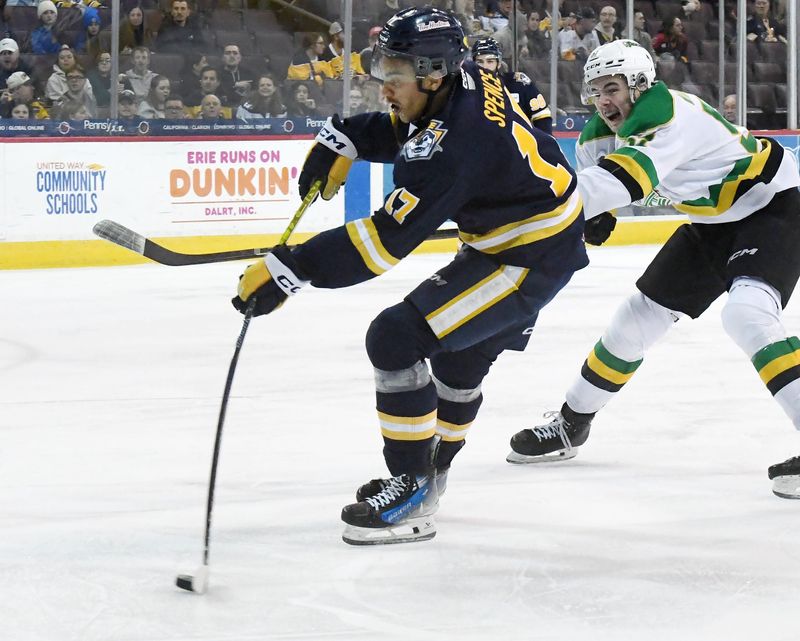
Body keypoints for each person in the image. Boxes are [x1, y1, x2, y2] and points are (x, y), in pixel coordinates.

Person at [232, 7, 588, 545]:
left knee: (396, 337)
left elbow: (379, 246)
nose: (384, 88)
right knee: (459, 365)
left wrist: (292, 270)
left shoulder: (456, 142)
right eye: (383, 71)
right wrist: (346, 138)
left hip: (527, 259)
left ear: (433, 72)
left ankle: (413, 484)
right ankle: (430, 475)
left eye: (393, 76)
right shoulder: (457, 86)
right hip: (527, 240)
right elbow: (407, 125)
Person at [506, 40, 800, 501]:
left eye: (614, 87)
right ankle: (571, 423)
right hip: (713, 221)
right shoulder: (596, 139)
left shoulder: (668, 114)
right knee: (636, 318)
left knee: (747, 315)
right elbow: (592, 204)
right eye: (596, 90)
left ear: (640, 86)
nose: (604, 100)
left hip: (774, 205)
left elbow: (618, 182)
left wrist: (518, 209)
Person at [471, 37, 551, 134]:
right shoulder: (466, 89)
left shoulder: (518, 83)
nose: (484, 67)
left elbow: (541, 115)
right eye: (479, 62)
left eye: (490, 61)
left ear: (499, 63)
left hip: (520, 146)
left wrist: (546, 144)